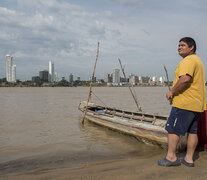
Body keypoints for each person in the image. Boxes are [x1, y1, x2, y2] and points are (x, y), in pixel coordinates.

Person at [158, 37, 206, 167]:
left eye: (183, 45)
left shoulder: (188, 60)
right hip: (197, 105)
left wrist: (172, 92)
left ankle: (171, 157)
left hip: (184, 103)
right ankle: (189, 159)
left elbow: (185, 78)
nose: (179, 47)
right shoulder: (198, 61)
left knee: (173, 130)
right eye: (178, 45)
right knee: (193, 131)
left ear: (191, 48)